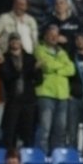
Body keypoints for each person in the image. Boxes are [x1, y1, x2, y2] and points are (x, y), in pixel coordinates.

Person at [34, 24, 75, 153]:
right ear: (45, 36)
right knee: (45, 128)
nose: (53, 38)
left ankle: (56, 157)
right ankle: (42, 157)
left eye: (55, 36)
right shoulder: (39, 49)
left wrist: (56, 69)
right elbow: (46, 66)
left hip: (62, 95)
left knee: (60, 129)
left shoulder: (62, 52)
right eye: (50, 35)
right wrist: (61, 68)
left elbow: (72, 69)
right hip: (46, 93)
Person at [0, 32, 40, 149]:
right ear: (9, 42)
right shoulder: (4, 58)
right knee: (10, 130)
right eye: (12, 40)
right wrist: (18, 72)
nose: (15, 43)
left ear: (21, 42)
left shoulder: (30, 58)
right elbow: (5, 76)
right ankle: (10, 154)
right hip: (12, 100)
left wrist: (36, 70)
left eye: (17, 40)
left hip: (28, 100)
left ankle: (27, 155)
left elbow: (38, 80)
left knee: (27, 130)